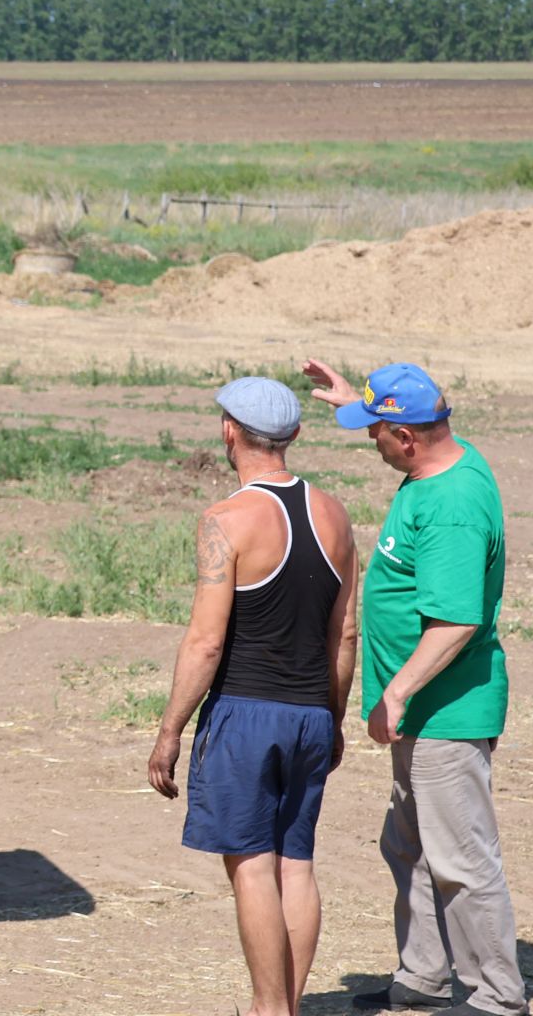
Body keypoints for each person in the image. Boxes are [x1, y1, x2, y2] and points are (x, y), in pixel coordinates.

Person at [302, 360, 526, 1016]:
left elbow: (457, 620)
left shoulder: (452, 506)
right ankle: (423, 979)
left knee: (460, 859)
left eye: (375, 429)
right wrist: (355, 400)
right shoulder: (431, 462)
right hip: (425, 710)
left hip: (446, 711)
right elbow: (395, 426)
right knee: (410, 846)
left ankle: (497, 1000)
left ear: (406, 438)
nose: (369, 439)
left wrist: (395, 692)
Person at [150, 376, 359, 1016]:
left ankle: (271, 1009)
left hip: (245, 716)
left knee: (252, 867)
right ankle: (287, 1004)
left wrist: (169, 732)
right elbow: (345, 632)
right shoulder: (335, 516)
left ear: (229, 432)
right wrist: (333, 718)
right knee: (296, 863)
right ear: (294, 436)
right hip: (310, 716)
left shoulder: (226, 521)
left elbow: (205, 644)